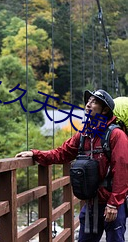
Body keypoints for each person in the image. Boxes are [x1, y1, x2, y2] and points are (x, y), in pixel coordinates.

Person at [15, 89, 128, 242]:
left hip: (111, 203)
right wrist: (36, 154)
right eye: (88, 101)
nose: (88, 105)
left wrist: (114, 204)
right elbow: (62, 153)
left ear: (105, 109)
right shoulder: (84, 135)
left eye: (94, 102)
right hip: (91, 203)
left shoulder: (116, 135)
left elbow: (122, 170)